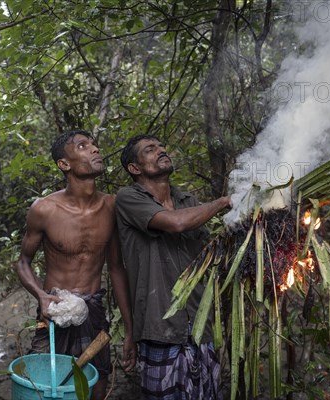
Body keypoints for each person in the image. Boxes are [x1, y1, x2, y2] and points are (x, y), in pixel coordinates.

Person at [15, 130, 136, 400]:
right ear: (64, 164)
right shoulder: (44, 209)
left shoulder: (111, 206)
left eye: (94, 145)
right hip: (54, 313)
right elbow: (23, 262)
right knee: (46, 387)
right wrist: (42, 297)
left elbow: (116, 268)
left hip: (93, 311)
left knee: (97, 381)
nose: (94, 150)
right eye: (83, 146)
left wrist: (129, 329)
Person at [115, 135, 231, 399]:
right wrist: (223, 202)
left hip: (200, 324)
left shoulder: (188, 200)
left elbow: (206, 253)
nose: (161, 150)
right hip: (160, 326)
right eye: (150, 149)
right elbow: (175, 224)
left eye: (162, 147)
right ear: (135, 168)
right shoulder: (128, 198)